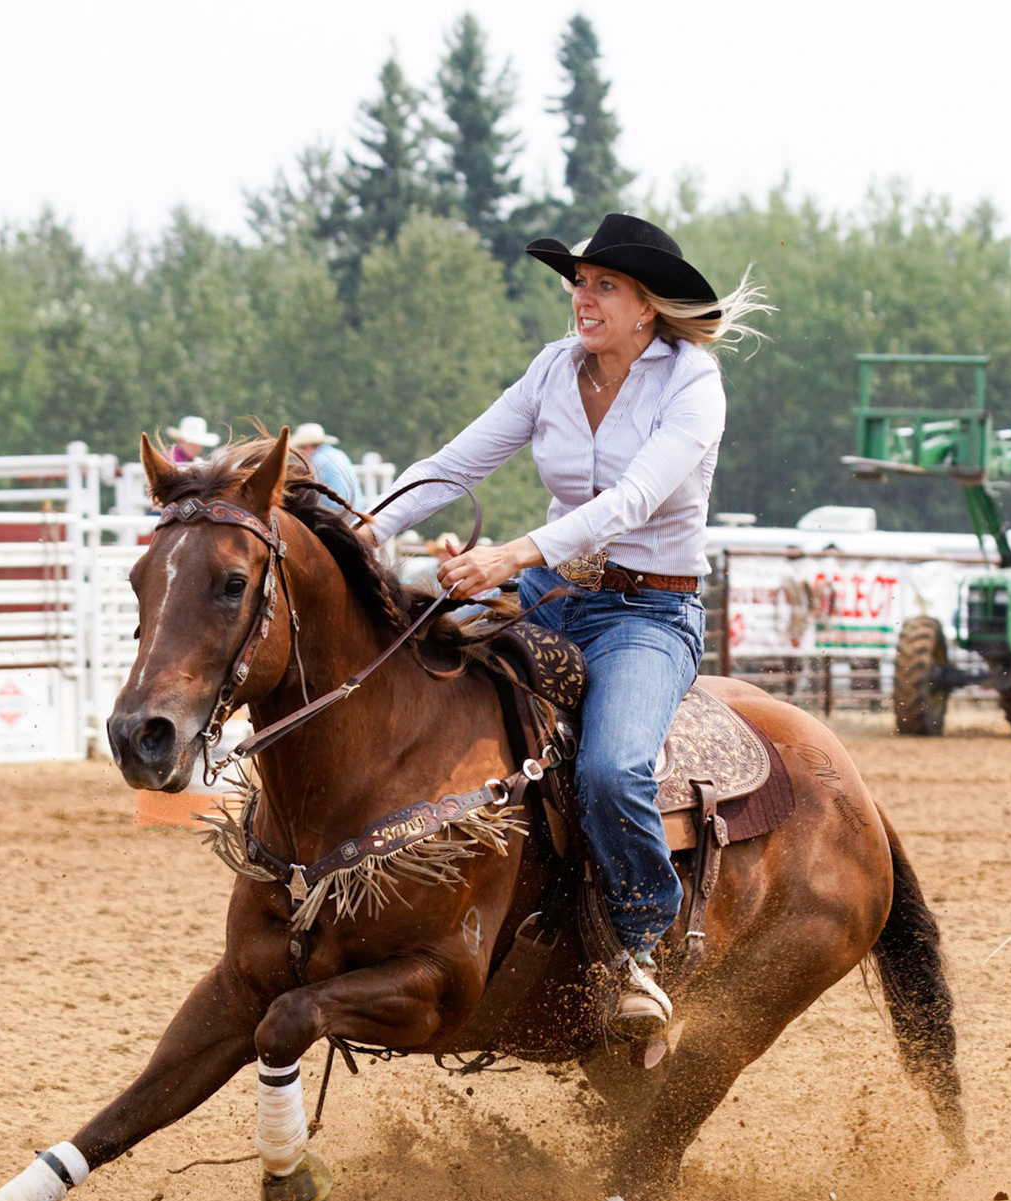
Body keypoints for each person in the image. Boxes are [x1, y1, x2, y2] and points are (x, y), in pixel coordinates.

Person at [368, 213, 769, 1039]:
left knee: (613, 769)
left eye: (604, 286)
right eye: (579, 284)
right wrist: (363, 529)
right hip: (553, 593)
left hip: (648, 611)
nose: (583, 299)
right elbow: (455, 464)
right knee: (407, 670)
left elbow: (633, 502)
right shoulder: (555, 369)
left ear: (647, 307)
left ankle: (639, 947)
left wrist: (509, 556)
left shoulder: (693, 384)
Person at [289, 423, 361, 513]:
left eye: (301, 448)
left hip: (339, 511)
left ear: (308, 446)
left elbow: (309, 491)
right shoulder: (338, 453)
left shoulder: (318, 461)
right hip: (355, 509)